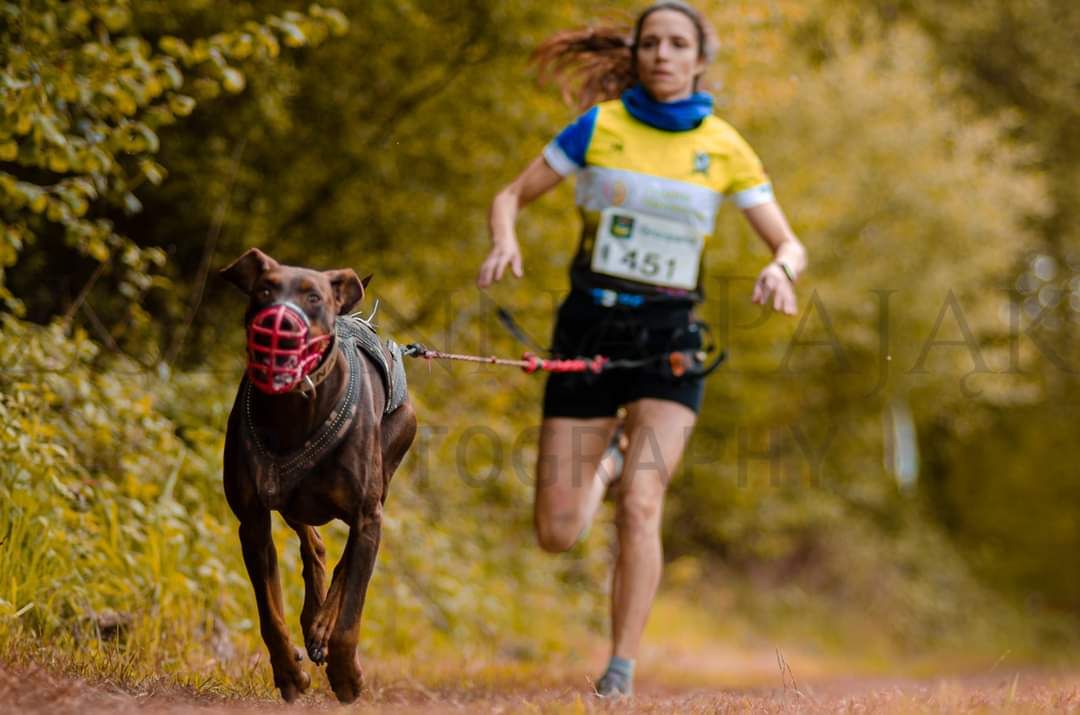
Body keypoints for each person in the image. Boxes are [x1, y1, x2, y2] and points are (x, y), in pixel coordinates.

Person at [476, 1, 807, 698]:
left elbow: (789, 240)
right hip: (588, 328)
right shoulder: (600, 127)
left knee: (642, 503)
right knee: (558, 531)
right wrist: (505, 237)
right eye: (650, 42)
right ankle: (612, 461)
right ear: (637, 55)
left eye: (677, 42)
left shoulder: (724, 146)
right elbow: (510, 195)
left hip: (669, 339)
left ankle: (619, 670)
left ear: (699, 60)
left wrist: (780, 267)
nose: (662, 53)